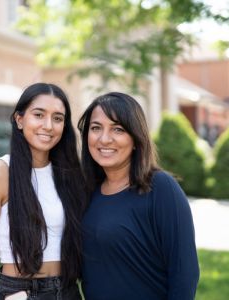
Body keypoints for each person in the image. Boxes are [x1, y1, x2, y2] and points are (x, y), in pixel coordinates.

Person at [0, 83, 85, 300]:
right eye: (39, 115)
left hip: (68, 290)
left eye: (58, 118)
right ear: (19, 120)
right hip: (20, 293)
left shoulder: (69, 175)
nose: (48, 125)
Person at [78, 92, 200, 300]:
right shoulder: (86, 192)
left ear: (135, 138)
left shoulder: (160, 188)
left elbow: (184, 274)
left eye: (117, 129)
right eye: (96, 128)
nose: (104, 138)